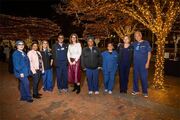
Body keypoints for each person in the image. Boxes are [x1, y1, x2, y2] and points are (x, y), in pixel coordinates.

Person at [132, 31, 152, 98]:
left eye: (138, 35)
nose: (136, 37)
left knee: (144, 78)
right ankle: (136, 90)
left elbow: (149, 53)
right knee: (135, 77)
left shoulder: (146, 43)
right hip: (135, 64)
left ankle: (145, 92)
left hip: (143, 64)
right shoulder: (134, 44)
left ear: (141, 36)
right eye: (135, 36)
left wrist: (148, 62)